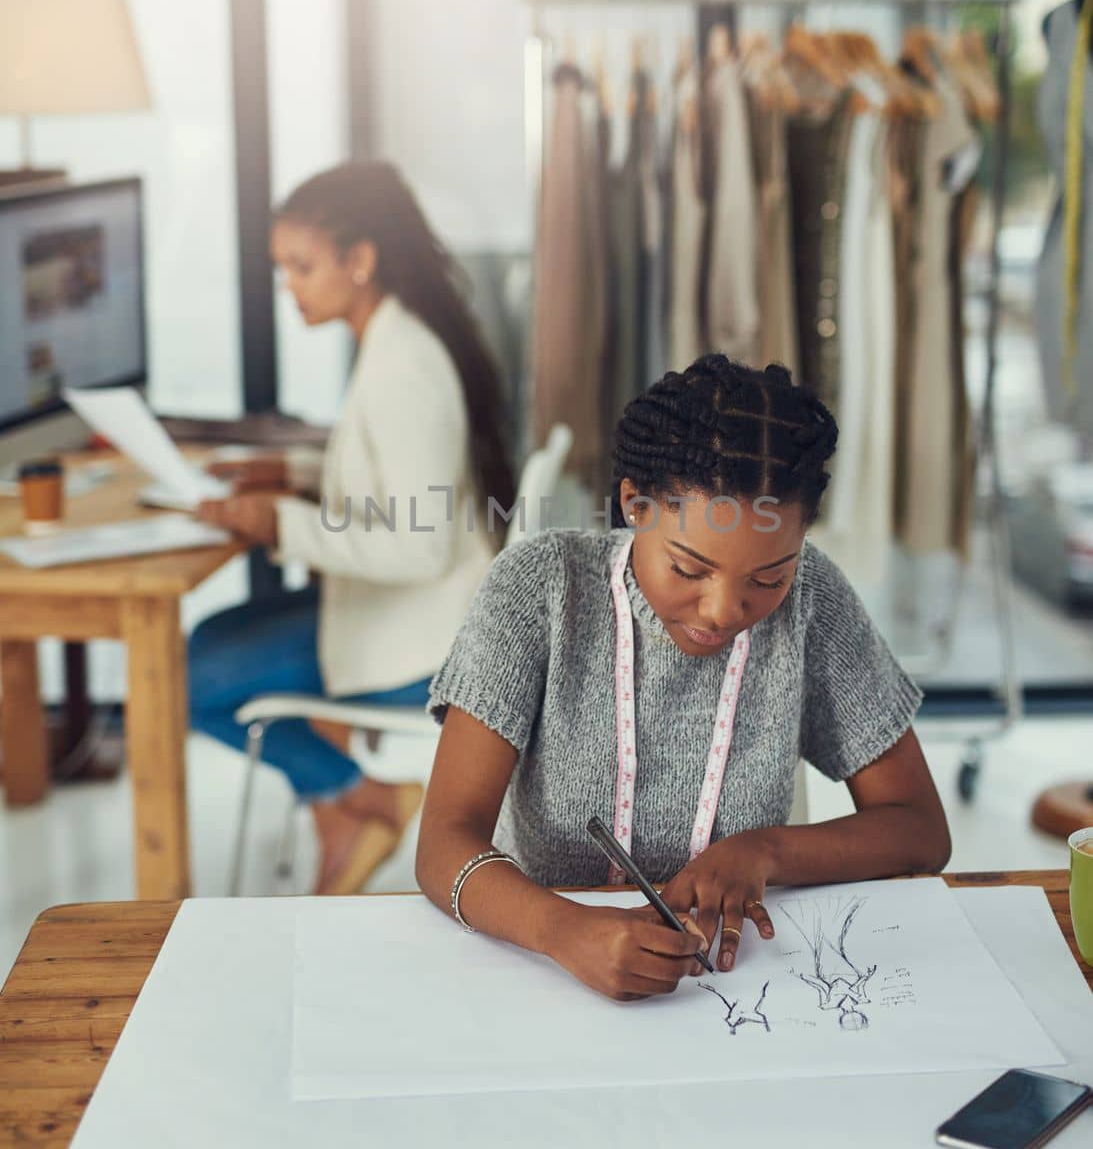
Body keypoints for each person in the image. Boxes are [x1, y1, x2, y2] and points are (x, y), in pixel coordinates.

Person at [416, 355, 951, 1001]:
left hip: (736, 988)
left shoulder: (812, 602)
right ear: (633, 504)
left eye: (767, 577)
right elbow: (443, 843)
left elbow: (920, 828)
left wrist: (764, 852)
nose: (725, 611)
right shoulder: (538, 590)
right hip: (538, 970)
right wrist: (562, 930)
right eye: (689, 569)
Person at [190, 161, 514, 893]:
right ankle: (346, 803)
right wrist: (295, 479)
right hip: (397, 610)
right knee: (207, 643)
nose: (290, 287)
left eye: (301, 267)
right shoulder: (398, 338)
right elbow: (394, 480)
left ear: (360, 261)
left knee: (193, 677)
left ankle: (360, 797)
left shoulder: (404, 365)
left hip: (419, 642)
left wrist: (281, 524)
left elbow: (418, 542)